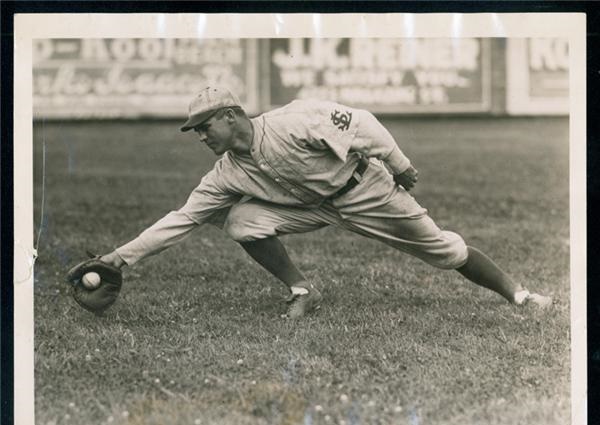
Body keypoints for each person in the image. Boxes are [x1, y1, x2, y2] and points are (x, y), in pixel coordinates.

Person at [100, 86, 552, 318]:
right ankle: (302, 290)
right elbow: (182, 219)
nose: (200, 136)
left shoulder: (294, 119)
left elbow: (365, 124)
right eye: (196, 131)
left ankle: (520, 295)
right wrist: (119, 258)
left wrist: (399, 164)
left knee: (445, 251)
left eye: (204, 126)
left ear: (230, 115)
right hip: (312, 208)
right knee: (239, 221)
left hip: (365, 191)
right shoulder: (226, 173)